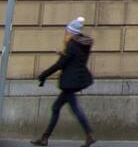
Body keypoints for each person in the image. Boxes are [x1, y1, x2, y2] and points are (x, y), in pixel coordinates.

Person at [33, 17, 96, 146]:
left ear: (72, 33)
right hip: (75, 80)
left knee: (72, 108)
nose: (65, 34)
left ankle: (89, 134)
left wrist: (43, 75)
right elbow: (73, 59)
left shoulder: (72, 45)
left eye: (67, 32)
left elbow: (60, 65)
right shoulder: (82, 44)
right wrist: (63, 54)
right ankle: (45, 137)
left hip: (69, 83)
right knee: (57, 107)